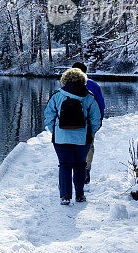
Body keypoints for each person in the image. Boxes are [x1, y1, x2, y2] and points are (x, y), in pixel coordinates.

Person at [44, 67, 102, 205]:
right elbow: (96, 119)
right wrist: (90, 132)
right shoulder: (89, 97)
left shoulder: (57, 96)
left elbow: (48, 116)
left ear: (64, 80)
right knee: (80, 165)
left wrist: (55, 131)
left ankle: (65, 196)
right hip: (83, 139)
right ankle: (80, 195)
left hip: (61, 138)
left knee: (64, 165)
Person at [71, 61, 105, 184]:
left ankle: (76, 168)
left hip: (71, 123)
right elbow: (101, 105)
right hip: (89, 122)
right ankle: (86, 168)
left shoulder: (66, 86)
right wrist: (99, 121)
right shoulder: (93, 85)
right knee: (88, 146)